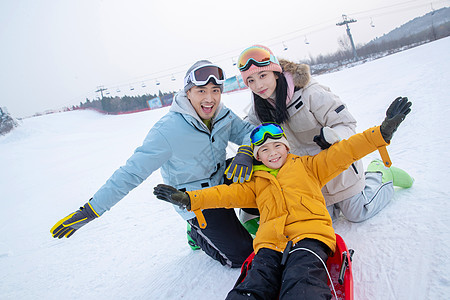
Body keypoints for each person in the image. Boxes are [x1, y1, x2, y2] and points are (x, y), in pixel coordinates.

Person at [153, 97, 412, 300]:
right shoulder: (255, 184)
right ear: (258, 157)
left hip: (310, 237)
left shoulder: (310, 167)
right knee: (253, 285)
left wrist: (381, 133)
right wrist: (189, 199)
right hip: (269, 244)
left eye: (278, 145)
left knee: (303, 282)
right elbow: (224, 194)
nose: (273, 152)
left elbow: (345, 151)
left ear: (287, 147)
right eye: (264, 149)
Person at [50, 60, 255, 268]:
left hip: (221, 182)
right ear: (188, 93)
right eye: (201, 91)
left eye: (215, 91)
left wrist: (246, 152)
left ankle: (252, 213)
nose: (209, 98)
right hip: (193, 199)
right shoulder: (167, 130)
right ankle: (197, 232)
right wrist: (90, 211)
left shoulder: (223, 114)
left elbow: (249, 132)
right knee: (242, 256)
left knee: (260, 169)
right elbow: (130, 173)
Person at [229, 44, 414, 224]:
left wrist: (333, 136)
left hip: (337, 167)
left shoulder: (310, 93)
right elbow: (248, 132)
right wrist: (245, 153)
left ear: (276, 73)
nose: (258, 85)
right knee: (322, 220)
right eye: (250, 80)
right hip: (309, 179)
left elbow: (347, 123)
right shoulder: (259, 108)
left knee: (357, 212)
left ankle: (380, 173)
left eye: (263, 75)